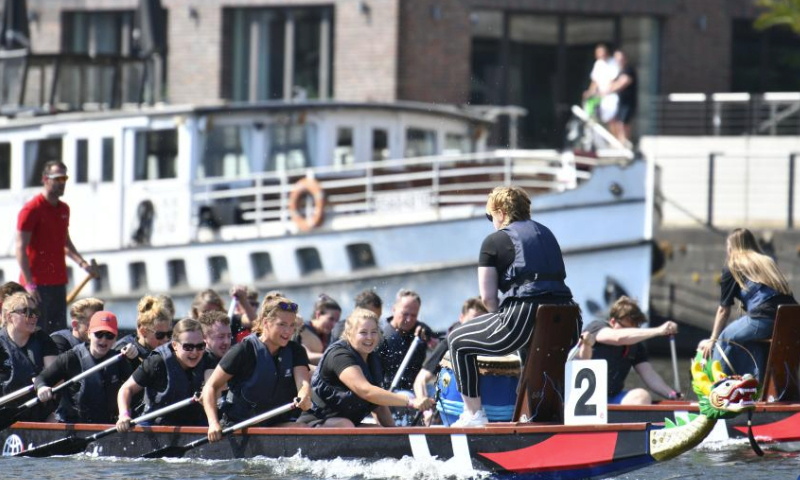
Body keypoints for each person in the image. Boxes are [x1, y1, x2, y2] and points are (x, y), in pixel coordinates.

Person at [447, 185, 576, 427]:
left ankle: (474, 415)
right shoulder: (547, 233)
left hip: (525, 316)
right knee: (533, 353)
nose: (492, 222)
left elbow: (488, 299)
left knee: (457, 341)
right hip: (568, 318)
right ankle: (539, 415)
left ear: (500, 212)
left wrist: (499, 322)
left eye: (490, 217)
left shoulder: (493, 241)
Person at [202, 294, 313, 442]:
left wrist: (304, 395)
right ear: (266, 323)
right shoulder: (243, 350)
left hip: (273, 424)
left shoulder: (296, 350)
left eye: (292, 325)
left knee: (303, 429)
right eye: (282, 324)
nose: (288, 331)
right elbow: (210, 386)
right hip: (239, 427)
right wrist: (213, 423)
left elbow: (303, 383)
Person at [298, 308, 433, 427]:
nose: (369, 338)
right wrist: (411, 401)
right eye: (363, 332)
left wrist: (396, 435)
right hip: (316, 422)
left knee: (378, 432)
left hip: (348, 424)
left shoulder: (373, 359)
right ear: (349, 333)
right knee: (345, 425)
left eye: (373, 332)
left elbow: (378, 405)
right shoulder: (339, 355)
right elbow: (366, 391)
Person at [700, 228, 797, 379]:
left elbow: (724, 311)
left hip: (764, 316)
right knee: (751, 341)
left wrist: (713, 339)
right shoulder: (767, 261)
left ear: (732, 247)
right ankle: (756, 384)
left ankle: (720, 386)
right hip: (790, 316)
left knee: (723, 339)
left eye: (728, 246)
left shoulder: (733, 265)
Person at [16, 160, 97, 334]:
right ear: (45, 179)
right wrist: (30, 285)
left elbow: (64, 242)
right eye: (58, 178)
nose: (62, 183)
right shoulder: (31, 210)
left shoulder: (64, 209)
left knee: (58, 333)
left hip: (58, 282)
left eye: (65, 178)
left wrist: (83, 264)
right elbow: (20, 249)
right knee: (36, 333)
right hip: (36, 286)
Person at [34, 311, 137, 423]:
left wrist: (134, 358)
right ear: (89, 334)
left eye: (109, 335)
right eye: (99, 334)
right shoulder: (71, 357)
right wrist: (41, 387)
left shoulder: (120, 360)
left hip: (107, 426)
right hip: (74, 425)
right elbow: (41, 378)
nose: (104, 340)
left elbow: (136, 388)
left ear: (115, 338)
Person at [116, 318, 216, 430]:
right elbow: (126, 389)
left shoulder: (208, 359)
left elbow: (211, 386)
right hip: (155, 424)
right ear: (174, 345)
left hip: (195, 423)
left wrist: (207, 394)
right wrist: (124, 415)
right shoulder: (156, 362)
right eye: (188, 347)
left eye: (200, 346)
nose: (195, 352)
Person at [580, 296, 680, 405]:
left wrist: (672, 394)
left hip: (611, 398)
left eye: (634, 329)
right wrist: (659, 331)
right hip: (582, 400)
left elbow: (649, 375)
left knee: (642, 396)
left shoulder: (636, 346)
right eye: (626, 328)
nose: (630, 333)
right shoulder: (596, 327)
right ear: (613, 322)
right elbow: (617, 337)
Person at [413, 297, 487, 407]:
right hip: (456, 403)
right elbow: (420, 380)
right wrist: (422, 400)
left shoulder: (496, 343)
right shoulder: (449, 343)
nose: (476, 328)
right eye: (472, 322)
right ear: (461, 318)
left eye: (482, 322)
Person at [0, 292, 59, 421]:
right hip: (4, 415)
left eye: (35, 312)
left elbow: (54, 375)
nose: (34, 316)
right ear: (9, 317)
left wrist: (44, 385)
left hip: (38, 412)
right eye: (27, 312)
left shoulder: (43, 340)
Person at [375, 289, 433, 392]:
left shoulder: (422, 330)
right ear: (394, 309)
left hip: (417, 388)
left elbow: (439, 345)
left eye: (414, 315)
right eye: (405, 314)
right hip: (390, 392)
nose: (409, 319)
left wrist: (431, 342)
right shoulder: (380, 335)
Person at [113, 295, 173, 369]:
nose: (166, 339)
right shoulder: (124, 350)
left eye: (169, 334)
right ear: (143, 331)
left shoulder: (171, 351)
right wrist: (134, 359)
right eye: (160, 335)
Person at [298, 294, 342, 365]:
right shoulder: (302, 329)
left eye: (337, 321)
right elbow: (306, 356)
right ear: (318, 315)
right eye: (331, 319)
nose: (334, 324)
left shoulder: (330, 333)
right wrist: (337, 357)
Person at [582, 43, 619, 127]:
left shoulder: (613, 62)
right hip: (599, 96)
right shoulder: (598, 64)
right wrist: (590, 92)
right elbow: (594, 81)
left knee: (611, 119)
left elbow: (613, 81)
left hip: (610, 96)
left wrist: (605, 92)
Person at [605, 49, 637, 146]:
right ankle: (620, 142)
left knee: (623, 123)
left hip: (628, 102)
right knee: (617, 122)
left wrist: (609, 90)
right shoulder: (619, 71)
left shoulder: (628, 70)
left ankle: (625, 143)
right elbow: (612, 82)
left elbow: (623, 82)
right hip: (621, 101)